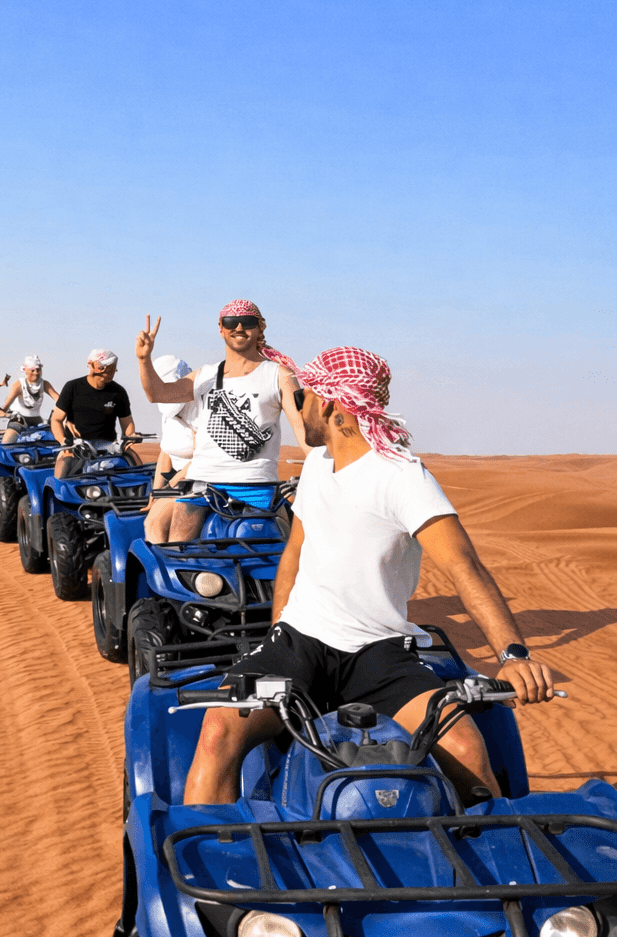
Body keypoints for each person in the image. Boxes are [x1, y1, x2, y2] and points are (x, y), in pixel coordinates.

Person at [181, 345, 556, 807]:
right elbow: (295, 553)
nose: (297, 407)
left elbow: (465, 566)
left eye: (304, 398)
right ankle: (215, 868)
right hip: (301, 642)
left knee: (466, 749)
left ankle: (495, 865)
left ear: (332, 405)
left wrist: (514, 654)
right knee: (218, 731)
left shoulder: (402, 477)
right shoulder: (316, 466)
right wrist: (278, 628)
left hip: (379, 653)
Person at [135, 300, 309, 540]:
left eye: (247, 322)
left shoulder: (279, 375)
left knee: (277, 559)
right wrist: (144, 359)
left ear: (261, 327)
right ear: (221, 328)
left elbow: (304, 433)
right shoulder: (205, 375)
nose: (238, 327)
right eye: (230, 322)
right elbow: (158, 393)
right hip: (202, 484)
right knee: (179, 555)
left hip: (257, 487)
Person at [49, 349, 138, 478]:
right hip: (78, 444)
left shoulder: (118, 392)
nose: (108, 371)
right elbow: (56, 419)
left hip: (109, 445)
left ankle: (147, 494)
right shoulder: (72, 387)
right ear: (91, 366)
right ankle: (58, 494)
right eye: (104, 367)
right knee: (63, 465)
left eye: (112, 368)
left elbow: (127, 423)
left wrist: (129, 439)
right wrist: (64, 441)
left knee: (134, 457)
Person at [144, 354, 197, 544]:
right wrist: (155, 493)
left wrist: (173, 483)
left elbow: (208, 452)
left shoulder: (201, 410)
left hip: (201, 479)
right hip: (179, 481)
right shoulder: (168, 414)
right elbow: (166, 452)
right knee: (152, 522)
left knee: (155, 524)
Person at [0, 356, 61, 443]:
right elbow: (6, 405)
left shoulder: (45, 384)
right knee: (7, 442)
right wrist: (0, 412)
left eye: (38, 370)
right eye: (33, 370)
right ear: (26, 371)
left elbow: (60, 400)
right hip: (19, 419)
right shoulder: (18, 385)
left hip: (37, 420)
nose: (36, 373)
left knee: (59, 434)